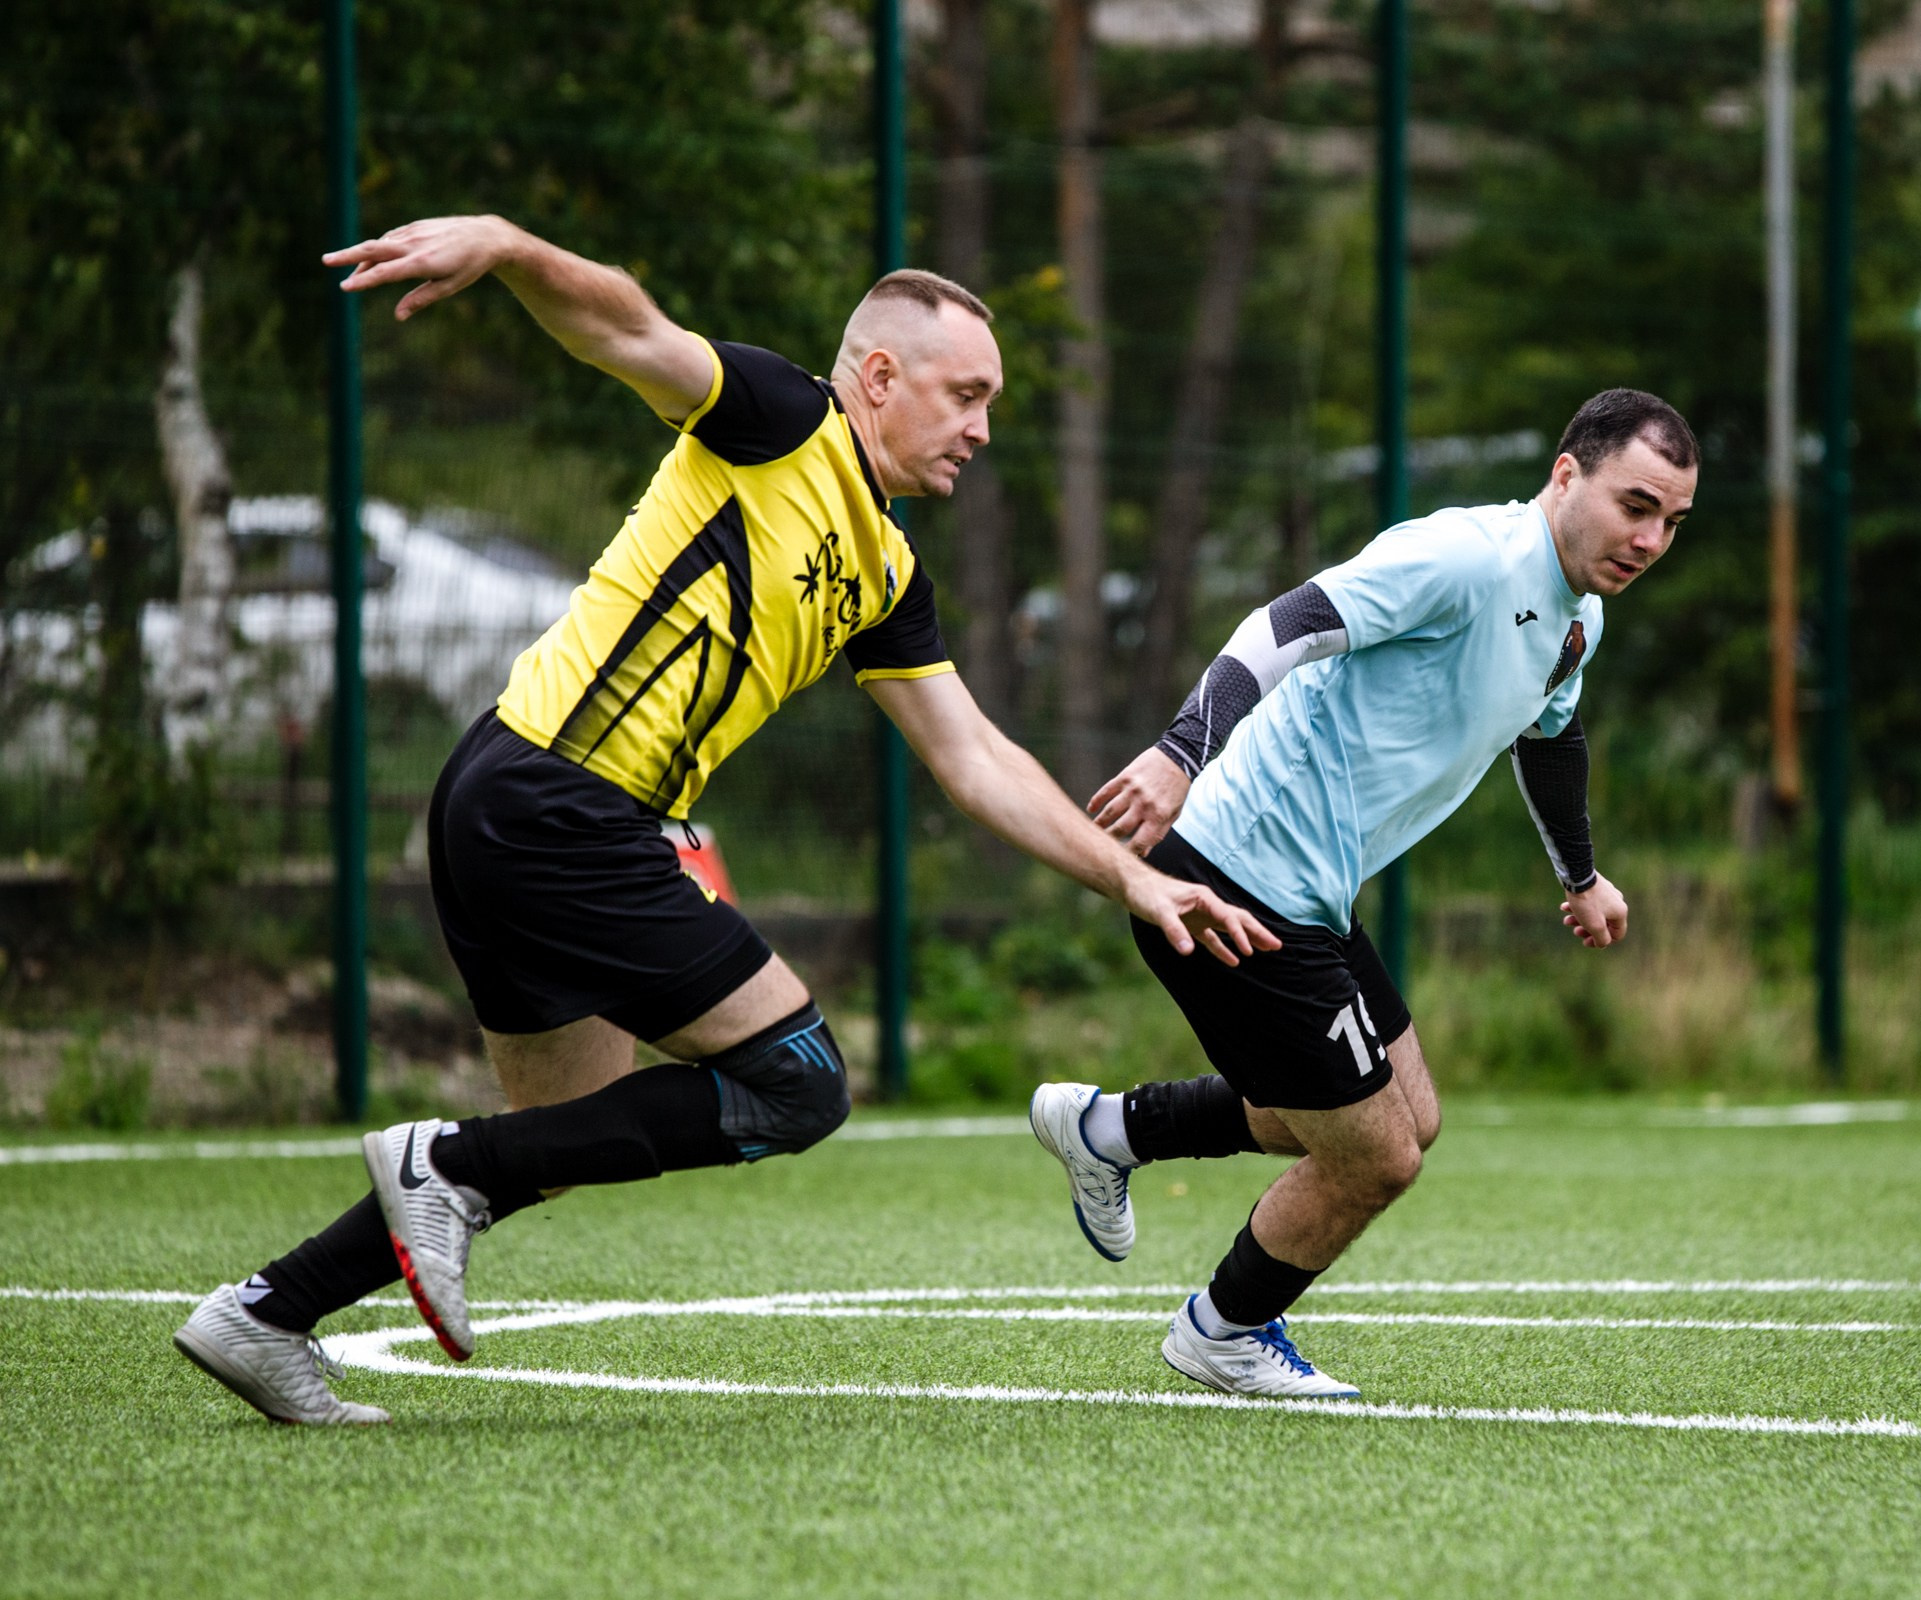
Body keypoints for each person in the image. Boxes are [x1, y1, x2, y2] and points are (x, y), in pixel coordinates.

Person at [171, 215, 1278, 1426]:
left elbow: (974, 758)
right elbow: (624, 325)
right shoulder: (779, 417)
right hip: (557, 800)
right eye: (966, 394)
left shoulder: (889, 573)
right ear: (878, 378)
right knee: (795, 1080)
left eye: (992, 402)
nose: (983, 427)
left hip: (516, 803)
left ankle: (268, 1311)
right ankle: (436, 1172)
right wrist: (507, 247)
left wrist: (1132, 877)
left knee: (557, 1132)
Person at [1028, 391, 1697, 1397]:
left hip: (1310, 894)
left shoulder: (1578, 619)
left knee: (1409, 1115)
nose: (1649, 539)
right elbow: (1288, 623)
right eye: (1635, 505)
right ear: (1567, 475)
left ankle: (1112, 1131)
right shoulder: (1469, 558)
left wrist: (1581, 874)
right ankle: (1224, 1329)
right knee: (1377, 1156)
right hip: (1225, 874)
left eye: (1672, 522)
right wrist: (1179, 752)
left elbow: (1550, 735)